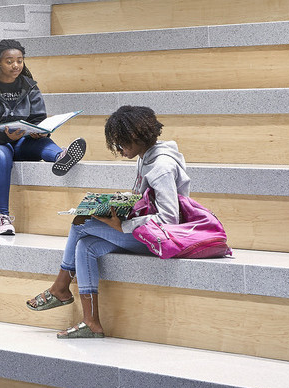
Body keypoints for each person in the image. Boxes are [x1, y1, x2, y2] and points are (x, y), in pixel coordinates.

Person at [25, 105, 188, 338]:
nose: (119, 150)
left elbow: (170, 219)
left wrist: (123, 225)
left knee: (80, 223)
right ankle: (91, 323)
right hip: (146, 230)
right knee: (85, 246)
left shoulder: (161, 166)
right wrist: (116, 204)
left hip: (162, 238)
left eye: (121, 144)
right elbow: (144, 200)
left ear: (135, 137)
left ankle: (60, 288)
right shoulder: (146, 157)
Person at [0, 39, 86, 235]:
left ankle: (60, 156)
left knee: (42, 141)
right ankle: (3, 218)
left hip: (21, 140)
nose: (16, 65)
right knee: (2, 156)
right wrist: (5, 136)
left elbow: (38, 118)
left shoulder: (30, 86)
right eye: (9, 61)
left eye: (19, 60)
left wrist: (38, 130)